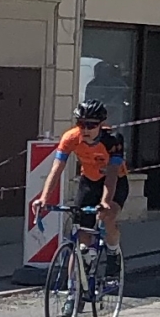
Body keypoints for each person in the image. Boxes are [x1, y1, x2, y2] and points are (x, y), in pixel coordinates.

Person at [31, 100, 130, 273]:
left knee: (108, 217)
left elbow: (112, 174)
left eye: (91, 125)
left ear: (101, 125)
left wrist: (105, 201)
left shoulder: (113, 140)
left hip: (114, 182)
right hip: (89, 181)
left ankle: (113, 251)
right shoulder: (70, 138)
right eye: (81, 124)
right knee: (82, 235)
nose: (85, 129)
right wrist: (43, 199)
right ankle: (75, 288)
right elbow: (56, 169)